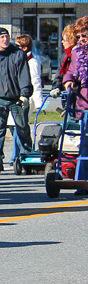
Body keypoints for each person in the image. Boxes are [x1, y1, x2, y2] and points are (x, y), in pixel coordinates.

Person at [0, 26, 32, 172]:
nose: (5, 39)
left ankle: (27, 155)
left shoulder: (18, 54)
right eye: (2, 37)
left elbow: (24, 76)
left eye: (7, 36)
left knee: (22, 128)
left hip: (17, 99)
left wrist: (25, 94)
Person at [61, 17, 88, 185]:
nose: (81, 39)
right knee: (84, 145)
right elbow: (71, 71)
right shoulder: (78, 52)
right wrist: (68, 80)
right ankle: (82, 182)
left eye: (84, 35)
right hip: (84, 104)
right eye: (78, 36)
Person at [14, 34, 44, 112]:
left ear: (24, 48)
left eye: (17, 46)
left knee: (20, 122)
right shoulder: (18, 60)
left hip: (27, 98)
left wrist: (39, 103)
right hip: (16, 96)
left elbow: (36, 82)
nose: (14, 48)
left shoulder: (32, 62)